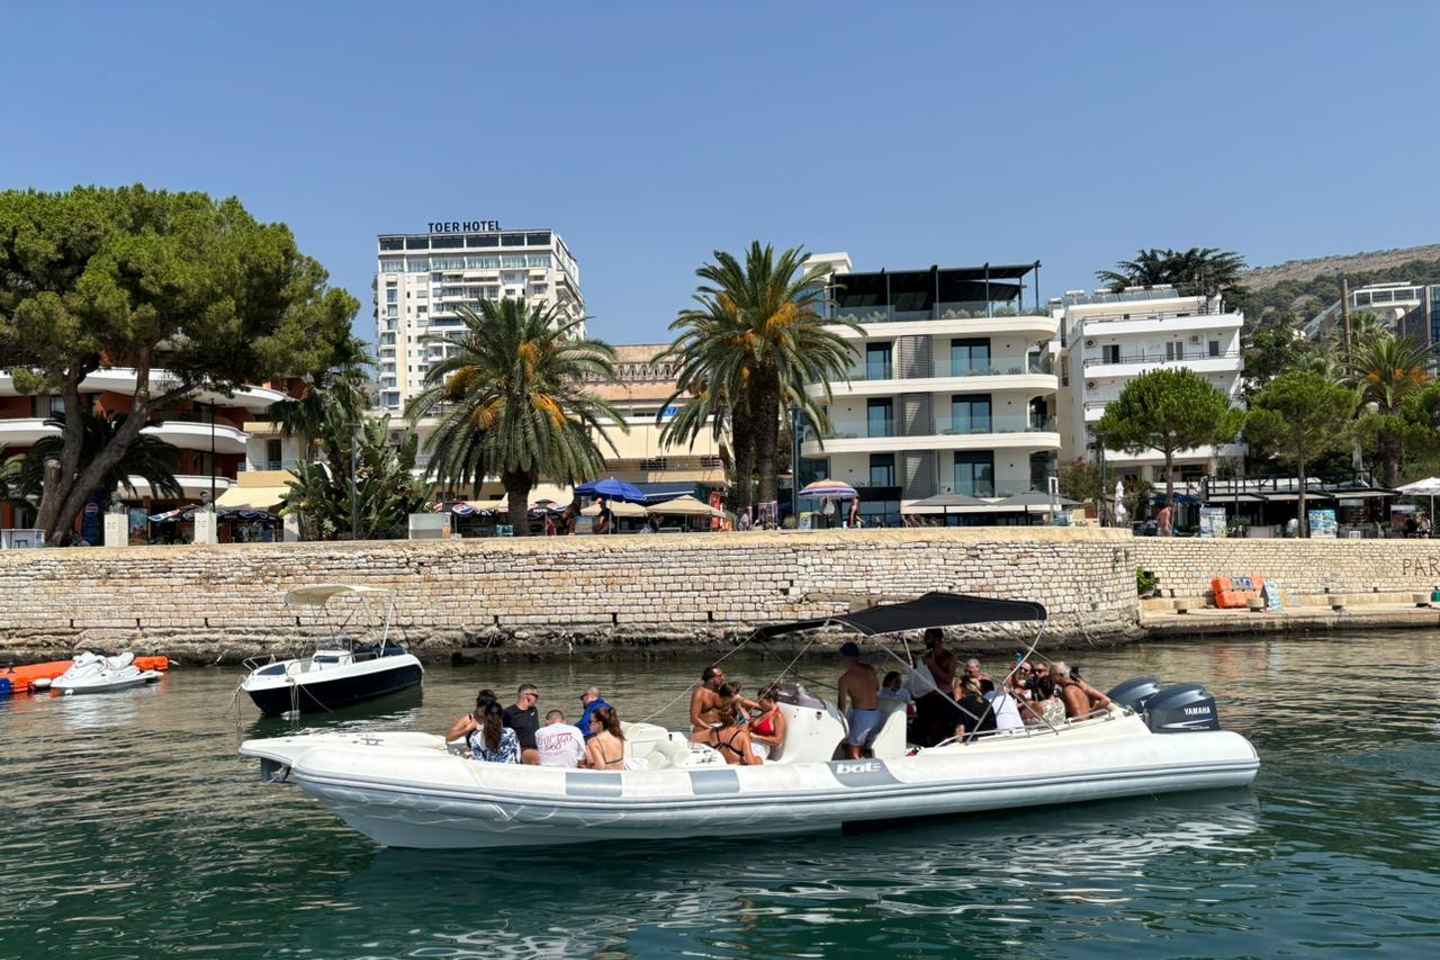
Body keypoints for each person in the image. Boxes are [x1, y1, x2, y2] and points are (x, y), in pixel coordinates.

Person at [835, 641, 881, 759]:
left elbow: (841, 706)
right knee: (858, 744)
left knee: (852, 748)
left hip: (862, 717)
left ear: (845, 658)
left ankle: (856, 765)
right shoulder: (870, 669)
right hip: (876, 714)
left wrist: (839, 724)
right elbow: (877, 687)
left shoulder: (844, 679)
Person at [912, 628, 956, 748]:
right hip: (927, 699)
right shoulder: (925, 657)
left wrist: (932, 665)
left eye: (927, 638)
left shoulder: (949, 657)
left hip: (943, 700)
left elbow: (948, 680)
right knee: (927, 732)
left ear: (937, 639)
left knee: (943, 733)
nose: (924, 640)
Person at [696, 683, 761, 765]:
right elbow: (751, 763)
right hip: (738, 741)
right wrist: (759, 760)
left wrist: (708, 744)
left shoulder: (713, 732)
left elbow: (694, 738)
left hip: (728, 741)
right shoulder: (735, 705)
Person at [468, 699, 520, 763]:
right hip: (510, 768)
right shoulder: (510, 733)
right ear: (501, 716)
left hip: (487, 769)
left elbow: (478, 761)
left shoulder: (475, 737)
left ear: (484, 716)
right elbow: (517, 756)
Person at [503, 683, 542, 765]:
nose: (538, 699)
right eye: (536, 696)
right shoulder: (508, 712)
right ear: (527, 695)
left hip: (536, 749)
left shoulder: (534, 710)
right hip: (520, 751)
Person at [583, 704, 627, 770]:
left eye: (590, 721)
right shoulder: (618, 736)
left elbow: (600, 766)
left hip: (606, 774)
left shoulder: (593, 741)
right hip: (620, 773)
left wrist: (587, 768)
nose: (589, 724)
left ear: (600, 724)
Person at [952, 676, 994, 743]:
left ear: (963, 688)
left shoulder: (963, 703)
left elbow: (960, 729)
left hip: (971, 742)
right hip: (989, 740)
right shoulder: (987, 702)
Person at [749, 686, 787, 760]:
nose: (758, 703)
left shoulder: (778, 717)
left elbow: (778, 741)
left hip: (761, 747)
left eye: (761, 701)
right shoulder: (765, 711)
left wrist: (757, 737)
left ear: (770, 700)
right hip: (750, 742)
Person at [689, 665, 729, 735]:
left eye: (723, 675)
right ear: (711, 679)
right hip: (704, 727)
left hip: (721, 727)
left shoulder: (722, 691)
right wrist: (711, 729)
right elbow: (694, 718)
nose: (723, 678)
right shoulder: (699, 693)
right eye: (720, 676)